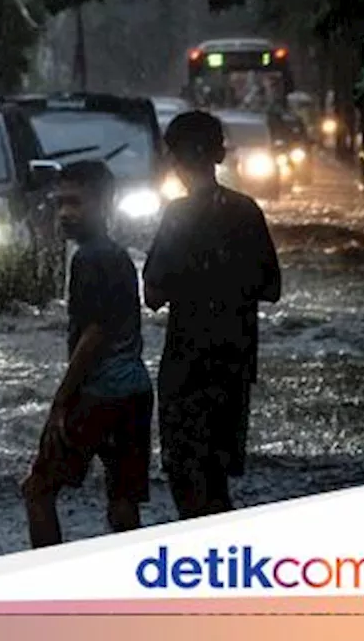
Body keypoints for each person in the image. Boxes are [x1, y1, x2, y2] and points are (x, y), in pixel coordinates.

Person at [143, 110, 282, 520]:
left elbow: (152, 293)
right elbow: (272, 288)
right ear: (219, 154)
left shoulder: (178, 216)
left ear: (176, 158)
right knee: (217, 477)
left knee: (186, 475)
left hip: (187, 364)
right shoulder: (247, 211)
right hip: (234, 364)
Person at [21, 160, 155, 548]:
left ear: (104, 204)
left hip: (99, 394)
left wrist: (61, 400)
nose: (65, 213)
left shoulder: (89, 259)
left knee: (38, 489)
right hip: (134, 392)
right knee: (123, 502)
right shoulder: (117, 255)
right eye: (60, 203)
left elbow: (94, 334)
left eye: (76, 203)